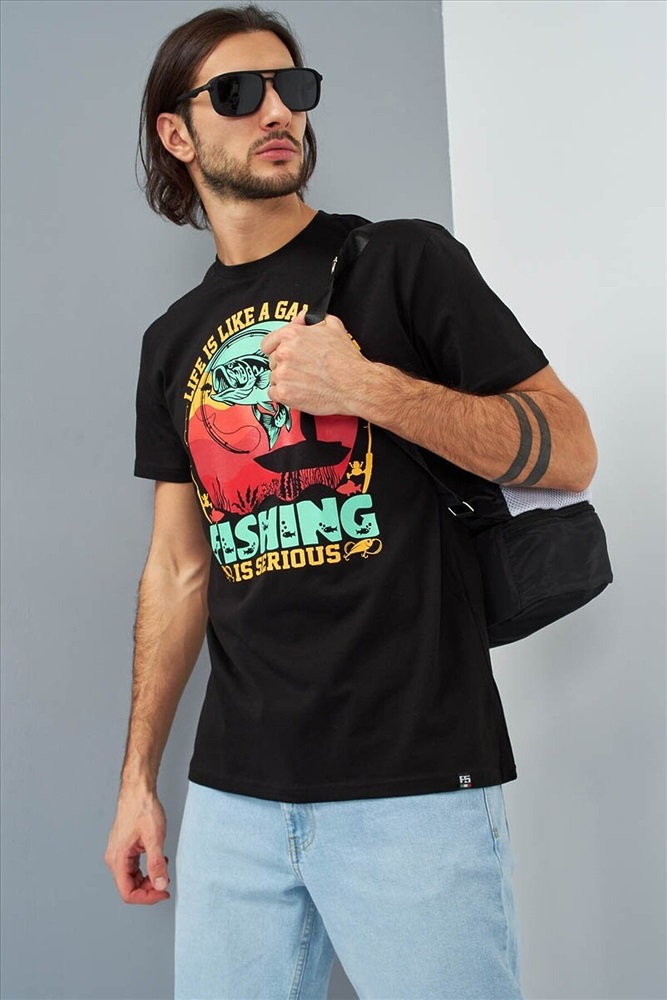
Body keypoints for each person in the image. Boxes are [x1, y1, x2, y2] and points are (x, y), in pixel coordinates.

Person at [104, 5, 598, 998]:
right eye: (237, 94)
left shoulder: (403, 263)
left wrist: (368, 388)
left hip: (412, 784)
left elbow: (571, 449)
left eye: (293, 88)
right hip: (235, 797)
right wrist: (137, 782)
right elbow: (178, 567)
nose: (276, 111)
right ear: (177, 134)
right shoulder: (173, 339)